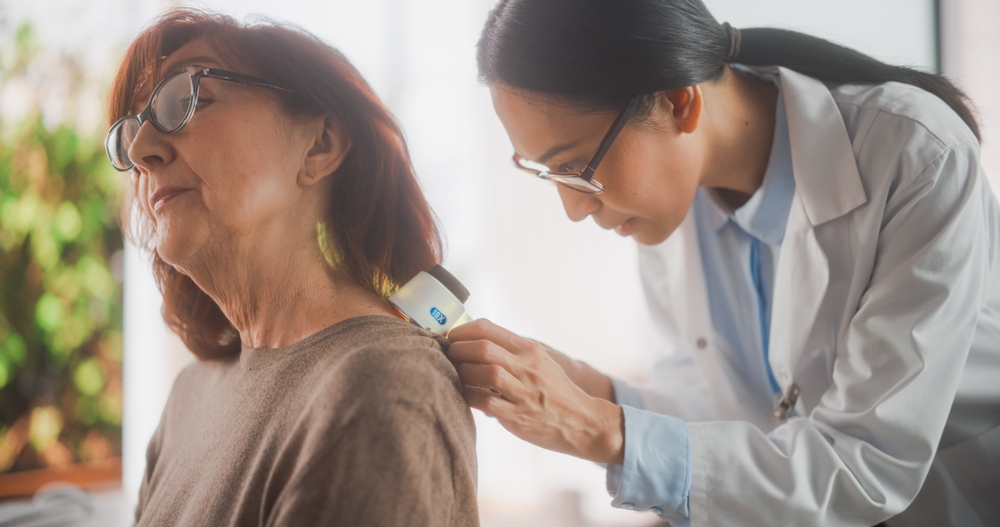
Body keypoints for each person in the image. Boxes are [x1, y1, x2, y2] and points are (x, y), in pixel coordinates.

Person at [446, 1, 1000, 526]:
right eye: (546, 172)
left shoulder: (918, 157)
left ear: (677, 100)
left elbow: (866, 465)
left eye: (575, 167)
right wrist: (585, 388)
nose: (572, 208)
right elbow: (719, 412)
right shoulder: (668, 207)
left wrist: (594, 426)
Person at [105, 9, 478, 526]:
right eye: (130, 134)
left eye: (188, 99)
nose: (142, 152)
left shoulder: (385, 390)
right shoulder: (192, 395)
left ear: (319, 145)